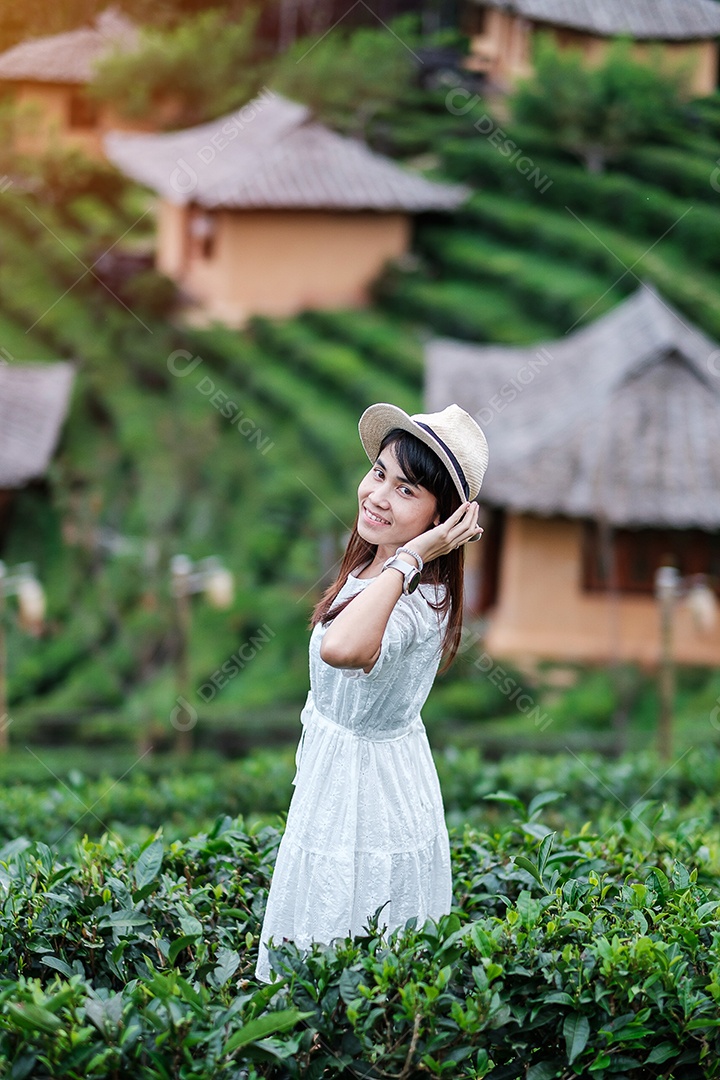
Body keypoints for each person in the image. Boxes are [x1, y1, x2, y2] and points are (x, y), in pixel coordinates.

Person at [255, 402, 489, 983]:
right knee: (322, 932)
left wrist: (414, 555)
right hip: (338, 779)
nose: (378, 496)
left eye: (406, 490)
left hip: (369, 795)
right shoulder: (381, 572)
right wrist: (401, 557)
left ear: (443, 521)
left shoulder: (417, 599)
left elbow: (342, 649)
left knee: (348, 941)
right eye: (379, 473)